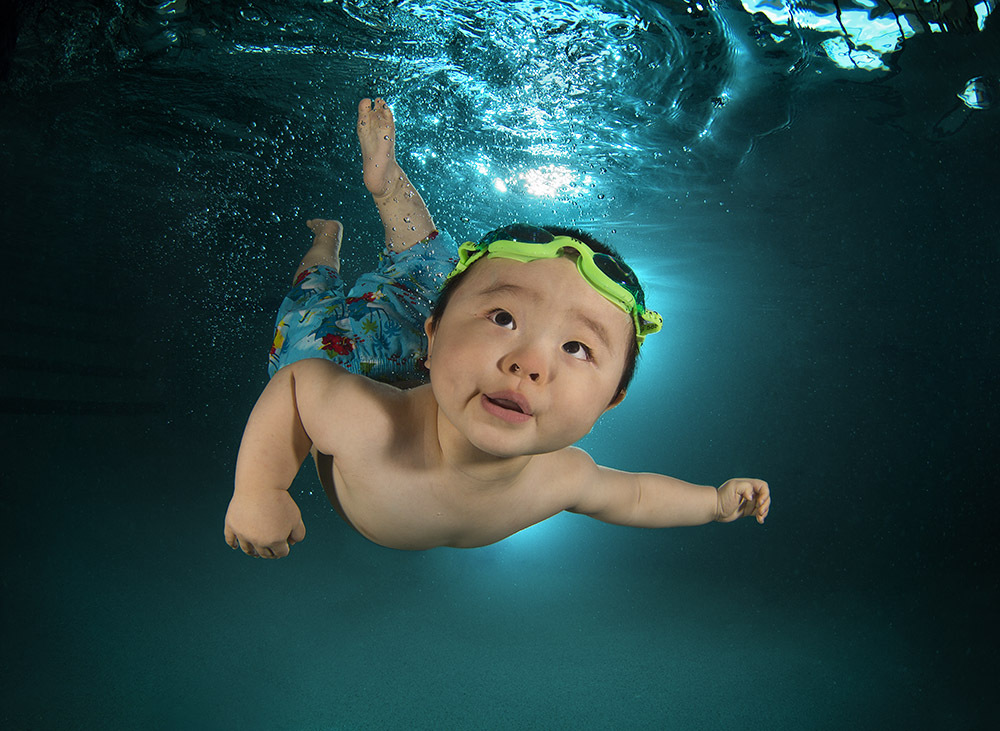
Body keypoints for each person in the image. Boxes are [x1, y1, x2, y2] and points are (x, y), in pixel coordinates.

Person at [224, 98, 770, 558]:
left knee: (454, 285)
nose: (529, 363)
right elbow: (296, 387)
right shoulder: (366, 424)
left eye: (576, 347)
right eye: (506, 320)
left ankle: (372, 250)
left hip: (439, 357)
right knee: (308, 333)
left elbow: (635, 497)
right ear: (434, 333)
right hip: (346, 357)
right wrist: (260, 489)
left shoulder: (562, 478)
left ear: (611, 401)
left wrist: (714, 503)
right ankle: (343, 230)